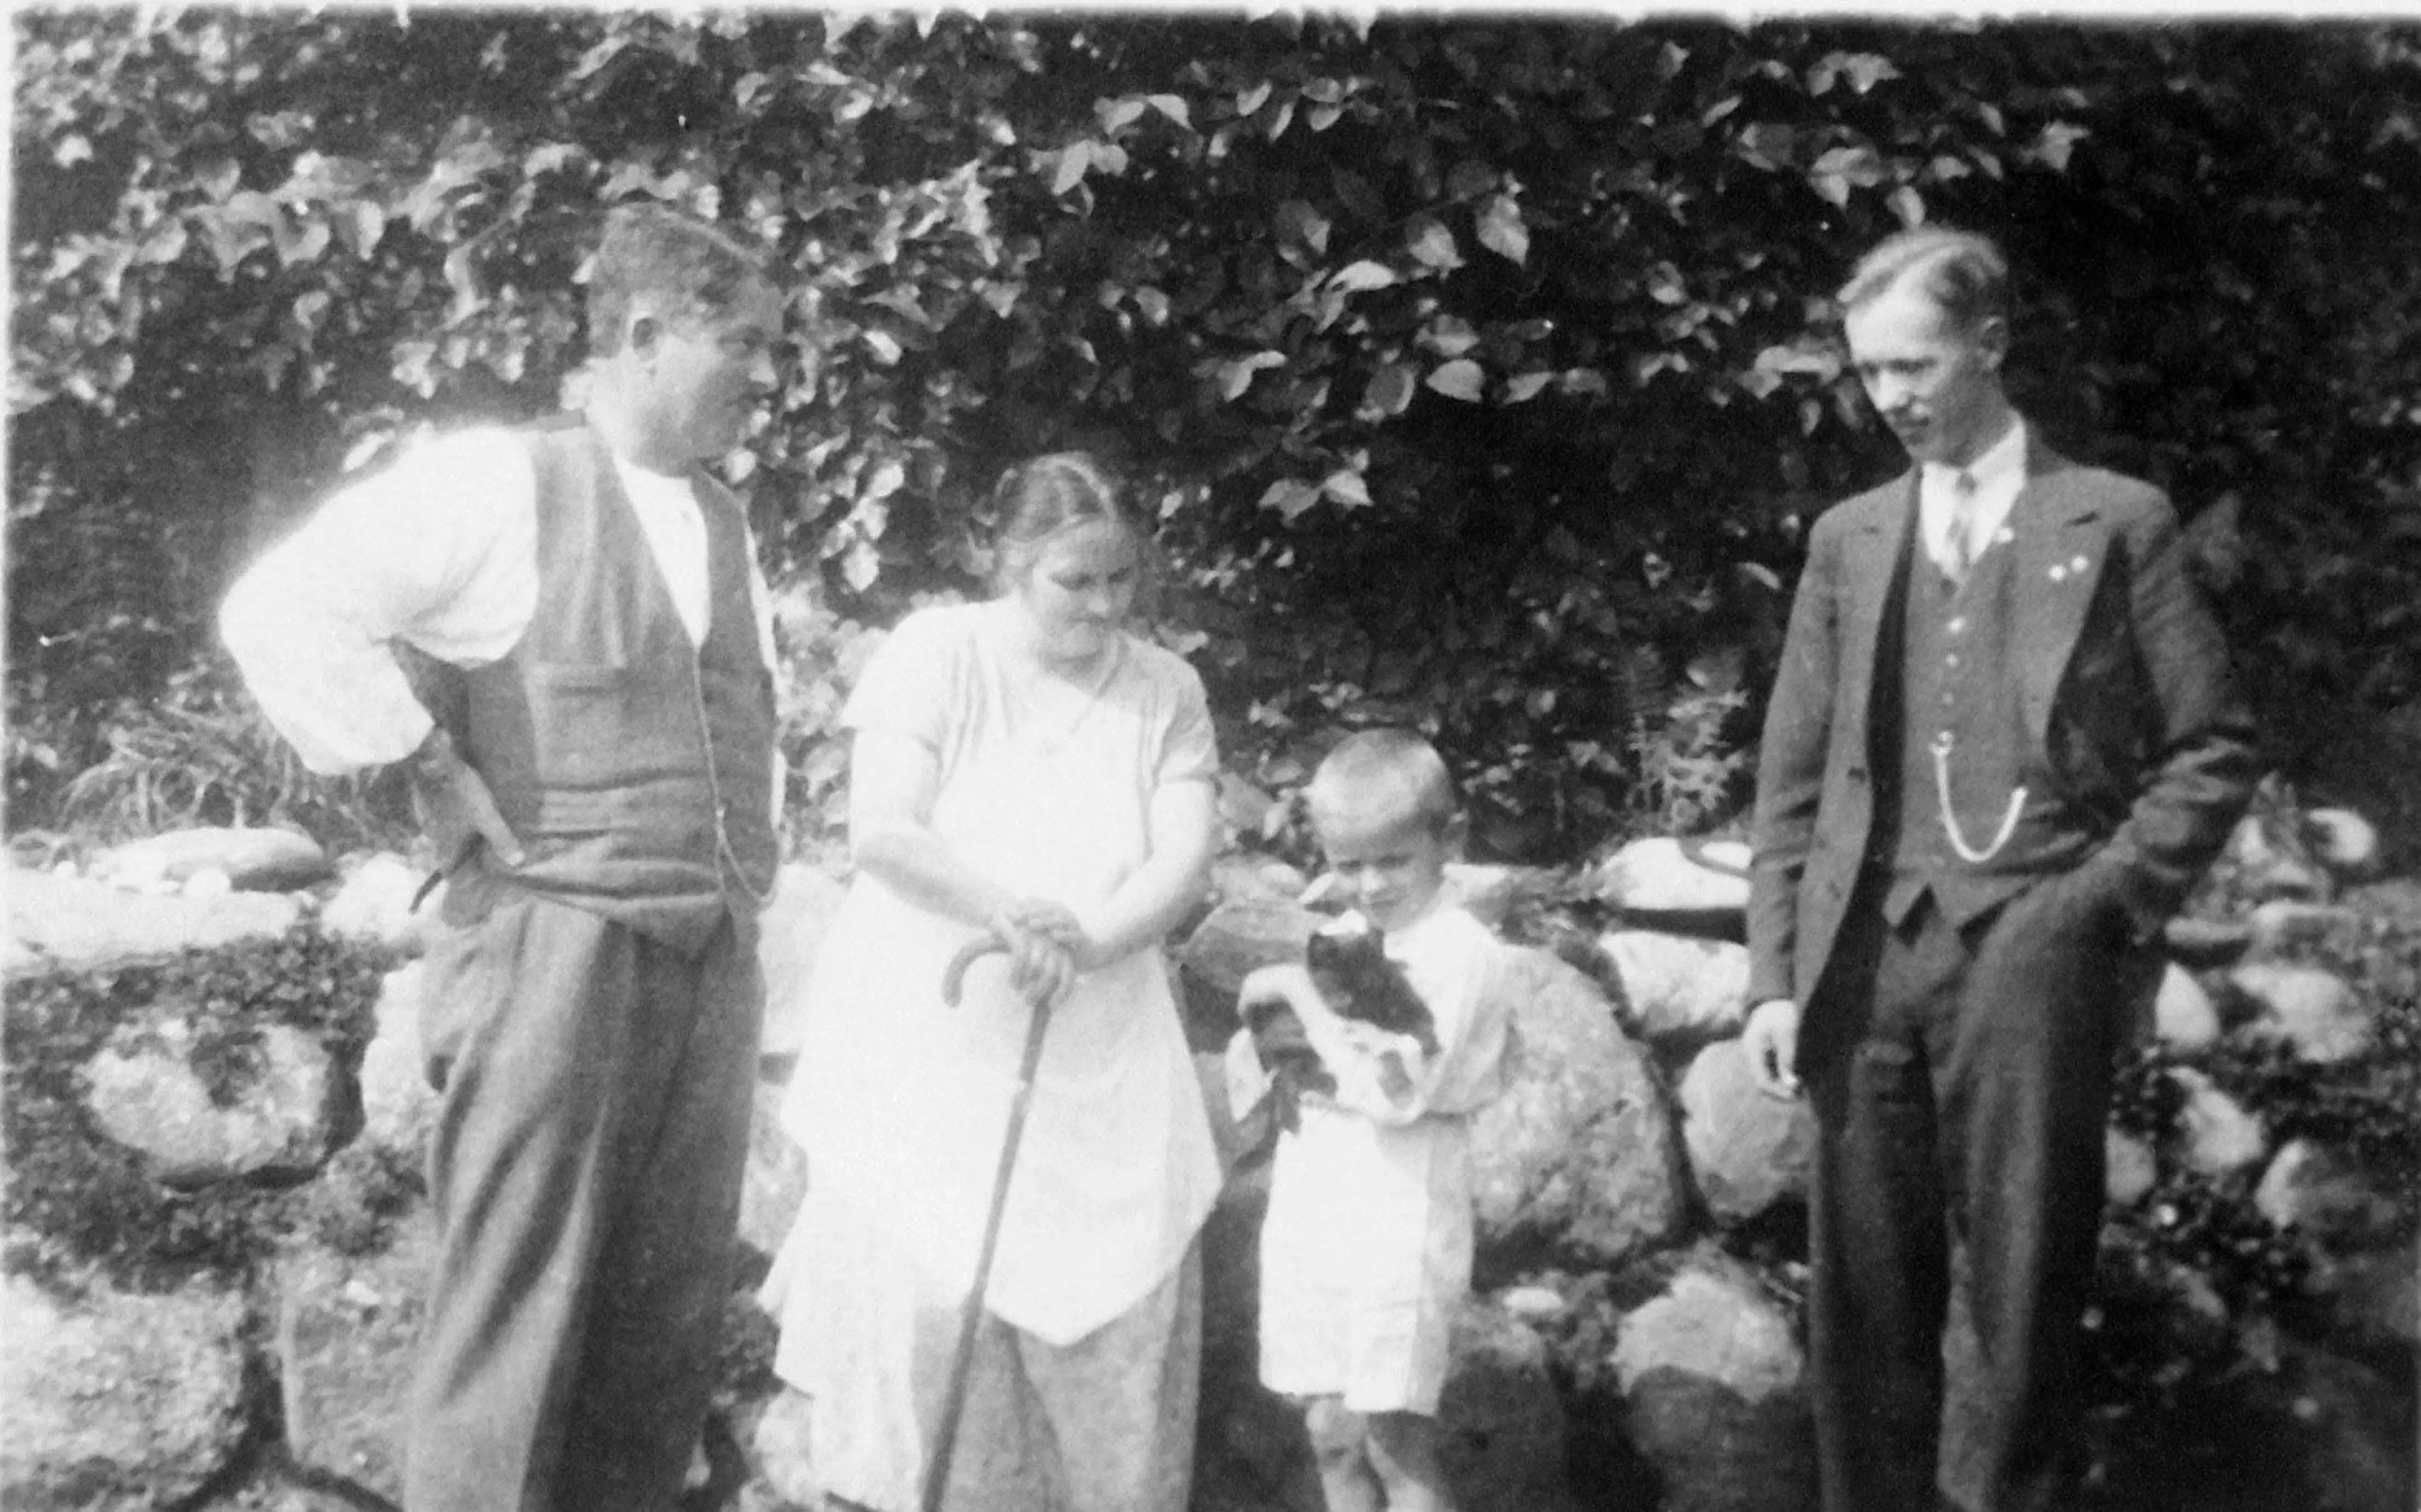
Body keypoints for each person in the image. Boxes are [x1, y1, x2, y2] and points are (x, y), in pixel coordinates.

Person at [219, 204, 787, 1512]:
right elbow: (280, 607)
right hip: (549, 945)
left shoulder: (725, 520)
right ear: (643, 336)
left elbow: (739, 733)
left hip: (706, 960)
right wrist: (423, 760)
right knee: (517, 1330)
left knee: (660, 1335)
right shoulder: (501, 479)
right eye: (741, 343)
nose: (765, 376)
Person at [1740, 226, 2260, 1512]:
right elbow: (1792, 782)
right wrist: (1770, 974)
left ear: (1992, 342)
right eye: (1870, 374)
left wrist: (2085, 908)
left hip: (2032, 952)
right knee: (1862, 1308)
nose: (1894, 398)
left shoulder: (2113, 519)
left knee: (2020, 1302)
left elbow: (2215, 746)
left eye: (1916, 364)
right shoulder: (1850, 538)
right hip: (1865, 956)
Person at [758, 451, 1222, 1512]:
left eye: (1121, 581)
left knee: (1117, 1319)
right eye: (1076, 581)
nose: (1104, 605)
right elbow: (881, 829)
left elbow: (1181, 860)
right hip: (938, 1044)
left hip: (1101, 1038)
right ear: (1009, 562)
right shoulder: (939, 652)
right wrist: (1004, 910)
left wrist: (1091, 938)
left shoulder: (1166, 688)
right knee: (933, 1322)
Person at [1228, 730, 1513, 1512]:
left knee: (1395, 1439)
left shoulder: (1459, 951)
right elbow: (1294, 1056)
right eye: (1350, 864)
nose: (1372, 883)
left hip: (1400, 1209)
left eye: (1393, 860)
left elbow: (1396, 1090)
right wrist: (1266, 1031)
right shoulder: (1351, 940)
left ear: (1446, 839)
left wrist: (1295, 989)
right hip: (1323, 1201)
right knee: (1331, 1427)